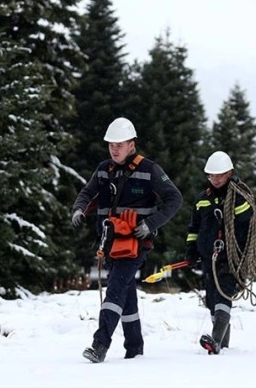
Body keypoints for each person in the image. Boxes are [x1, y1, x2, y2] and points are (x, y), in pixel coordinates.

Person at [71, 117, 182, 363]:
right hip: (108, 243)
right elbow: (87, 193)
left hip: (135, 244)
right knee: (125, 292)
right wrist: (79, 209)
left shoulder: (149, 169)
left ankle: (100, 344)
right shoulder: (103, 169)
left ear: (132, 144)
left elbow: (175, 199)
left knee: (115, 289)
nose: (114, 149)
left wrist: (150, 224)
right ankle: (135, 348)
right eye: (111, 144)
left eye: (120, 144)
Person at [184, 151, 256, 355]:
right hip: (208, 257)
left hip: (230, 259)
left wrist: (242, 256)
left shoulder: (239, 199)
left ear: (230, 173)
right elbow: (193, 228)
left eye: (219, 175)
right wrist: (191, 251)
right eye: (211, 176)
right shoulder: (202, 199)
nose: (215, 179)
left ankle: (215, 341)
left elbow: (248, 228)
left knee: (224, 295)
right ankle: (222, 344)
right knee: (212, 299)